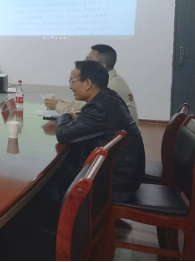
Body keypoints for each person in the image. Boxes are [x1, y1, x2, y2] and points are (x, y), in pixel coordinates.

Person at [56, 60, 145, 203]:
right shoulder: (110, 96)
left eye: (72, 81)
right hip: (124, 176)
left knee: (53, 180)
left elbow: (63, 134)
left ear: (88, 83)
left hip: (115, 185)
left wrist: (64, 114)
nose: (70, 86)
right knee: (65, 167)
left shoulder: (98, 108)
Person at [45, 44, 139, 125]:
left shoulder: (111, 85)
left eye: (88, 61)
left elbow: (84, 116)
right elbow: (87, 106)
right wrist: (63, 103)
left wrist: (58, 106)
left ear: (101, 66)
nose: (85, 64)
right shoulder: (111, 80)